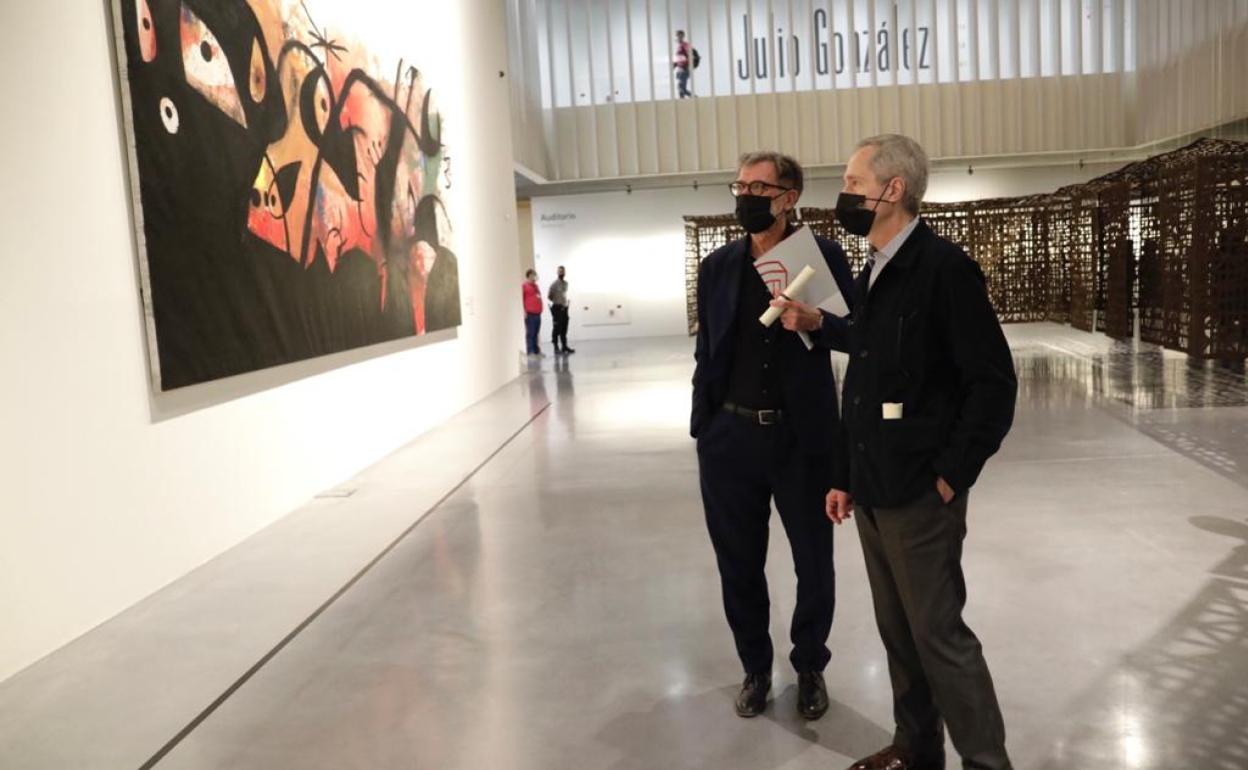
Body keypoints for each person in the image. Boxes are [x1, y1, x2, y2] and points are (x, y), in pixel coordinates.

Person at [774, 134, 1018, 770]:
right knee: (900, 635)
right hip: (876, 485)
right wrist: (846, 474)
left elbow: (992, 385)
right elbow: (870, 370)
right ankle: (915, 749)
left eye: (854, 181)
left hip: (919, 491)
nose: (845, 193)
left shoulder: (943, 269)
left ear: (893, 190)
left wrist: (951, 474)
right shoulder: (875, 266)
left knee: (939, 637)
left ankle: (987, 763)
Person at [691, 151, 855, 720]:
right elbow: (706, 350)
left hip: (802, 440)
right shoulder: (718, 266)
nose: (747, 195)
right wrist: (703, 428)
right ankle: (755, 668)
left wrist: (818, 323)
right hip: (730, 439)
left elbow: (861, 335)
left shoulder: (822, 258)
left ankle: (809, 665)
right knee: (738, 562)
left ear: (789, 197)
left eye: (760, 187)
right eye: (740, 184)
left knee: (814, 562)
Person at [548, 266, 576, 355]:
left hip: (564, 308)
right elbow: (549, 296)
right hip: (557, 308)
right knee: (556, 328)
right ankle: (556, 347)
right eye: (560, 271)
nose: (561, 273)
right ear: (557, 272)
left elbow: (564, 294)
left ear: (565, 273)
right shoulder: (554, 284)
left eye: (563, 271)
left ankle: (564, 346)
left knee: (564, 328)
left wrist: (563, 303)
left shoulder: (565, 283)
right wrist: (557, 301)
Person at [522, 269, 543, 357]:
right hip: (530, 314)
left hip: (537, 313)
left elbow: (538, 296)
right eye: (533, 275)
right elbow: (522, 299)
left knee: (536, 332)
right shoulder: (524, 286)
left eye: (535, 275)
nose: (535, 277)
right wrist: (524, 312)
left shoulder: (536, 286)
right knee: (530, 333)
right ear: (529, 276)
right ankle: (530, 351)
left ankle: (536, 351)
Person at [673, 30, 693, 99]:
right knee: (681, 89)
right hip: (680, 69)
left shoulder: (685, 45)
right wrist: (674, 65)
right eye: (678, 36)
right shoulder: (679, 46)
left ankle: (696, 98)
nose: (679, 38)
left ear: (683, 36)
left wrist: (686, 67)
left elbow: (689, 55)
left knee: (681, 89)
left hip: (684, 69)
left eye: (680, 36)